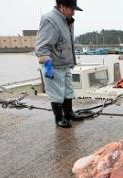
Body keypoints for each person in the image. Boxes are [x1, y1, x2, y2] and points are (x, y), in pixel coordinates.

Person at [35, 0, 84, 128]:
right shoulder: (49, 19)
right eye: (72, 9)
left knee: (68, 90)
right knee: (56, 93)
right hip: (53, 65)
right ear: (62, 7)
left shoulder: (67, 19)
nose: (74, 12)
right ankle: (59, 118)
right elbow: (41, 47)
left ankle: (68, 113)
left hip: (65, 64)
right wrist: (48, 67)